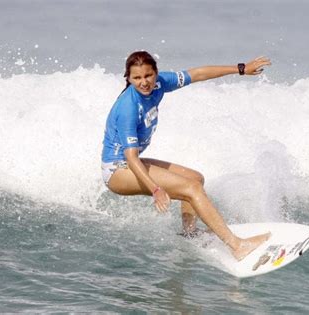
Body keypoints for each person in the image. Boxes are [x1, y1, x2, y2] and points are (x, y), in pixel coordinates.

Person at [101, 51, 272, 261]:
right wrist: (155, 189)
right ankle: (237, 246)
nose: (144, 82)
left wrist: (241, 69)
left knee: (195, 179)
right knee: (192, 189)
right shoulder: (127, 107)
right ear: (128, 78)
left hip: (130, 164)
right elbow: (132, 158)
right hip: (118, 170)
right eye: (136, 78)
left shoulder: (160, 83)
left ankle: (189, 234)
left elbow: (197, 73)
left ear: (155, 73)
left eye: (148, 75)